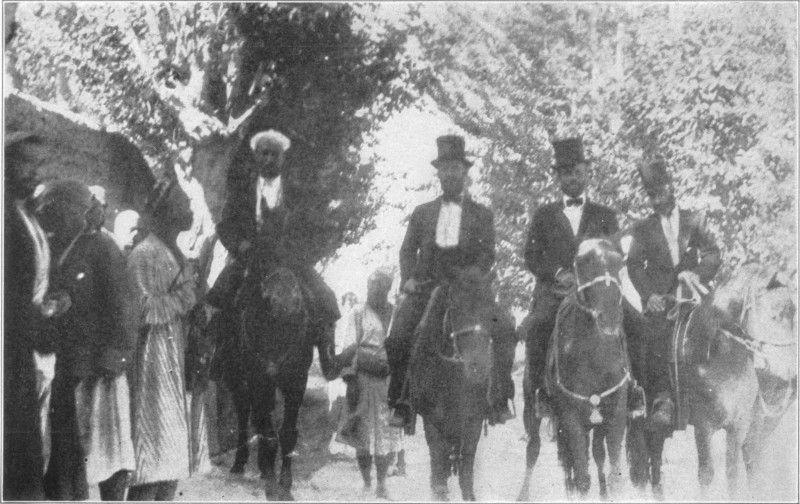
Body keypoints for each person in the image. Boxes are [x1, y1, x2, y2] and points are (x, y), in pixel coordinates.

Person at [385, 134, 515, 431]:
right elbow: (407, 250)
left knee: (506, 330)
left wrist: (473, 278)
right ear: (439, 173)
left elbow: (488, 253)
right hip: (429, 286)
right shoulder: (422, 213)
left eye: (455, 167)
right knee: (398, 337)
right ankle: (401, 401)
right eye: (445, 168)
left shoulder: (481, 214)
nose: (450, 174)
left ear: (464, 172)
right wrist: (408, 280)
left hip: (469, 290)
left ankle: (500, 397)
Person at [34, 180, 135, 501]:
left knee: (109, 451)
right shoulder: (50, 246)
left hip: (100, 369)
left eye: (56, 210)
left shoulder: (102, 246)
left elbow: (124, 304)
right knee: (67, 453)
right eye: (45, 212)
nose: (50, 217)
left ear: (77, 210)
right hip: (65, 366)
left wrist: (117, 353)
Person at [209, 129, 340, 367]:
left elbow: (321, 228)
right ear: (256, 156)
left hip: (291, 262)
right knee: (222, 292)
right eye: (264, 153)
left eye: (274, 154)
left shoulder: (300, 194)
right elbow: (225, 226)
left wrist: (302, 254)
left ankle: (327, 353)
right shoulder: (241, 193)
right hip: (252, 259)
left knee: (325, 298)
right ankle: (218, 351)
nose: (268, 159)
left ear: (283, 158)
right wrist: (240, 245)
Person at [523, 137, 620, 416]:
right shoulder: (544, 215)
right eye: (566, 173)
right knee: (539, 325)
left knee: (631, 322)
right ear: (559, 178)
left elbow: (615, 253)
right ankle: (542, 390)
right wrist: (555, 273)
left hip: (597, 289)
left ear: (587, 173)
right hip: (555, 290)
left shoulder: (605, 215)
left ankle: (633, 388)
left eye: (578, 171)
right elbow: (531, 255)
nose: (573, 178)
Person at [626, 158, 721, 427]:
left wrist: (698, 273)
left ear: (671, 187)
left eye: (659, 193)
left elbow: (713, 253)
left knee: (721, 328)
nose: (655, 201)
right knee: (654, 335)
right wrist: (649, 296)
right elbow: (634, 265)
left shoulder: (695, 220)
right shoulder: (643, 229)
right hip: (663, 302)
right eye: (650, 196)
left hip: (694, 297)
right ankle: (663, 398)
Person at [126, 170, 198, 501]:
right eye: (184, 203)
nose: (190, 208)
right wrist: (182, 299)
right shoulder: (145, 254)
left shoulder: (175, 253)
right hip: (152, 362)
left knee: (170, 462)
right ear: (166, 210)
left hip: (171, 357)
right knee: (152, 456)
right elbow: (139, 309)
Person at [3, 133, 60, 501]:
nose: (35, 173)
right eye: (26, 164)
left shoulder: (28, 216)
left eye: (39, 166)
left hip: (32, 345)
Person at [334, 270, 400, 499]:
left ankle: (382, 484)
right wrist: (350, 378)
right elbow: (350, 345)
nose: (375, 291)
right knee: (362, 433)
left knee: (385, 433)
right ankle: (366, 483)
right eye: (371, 287)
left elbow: (401, 345)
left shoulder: (395, 313)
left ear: (387, 290)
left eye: (380, 288)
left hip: (387, 380)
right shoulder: (358, 312)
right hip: (363, 378)